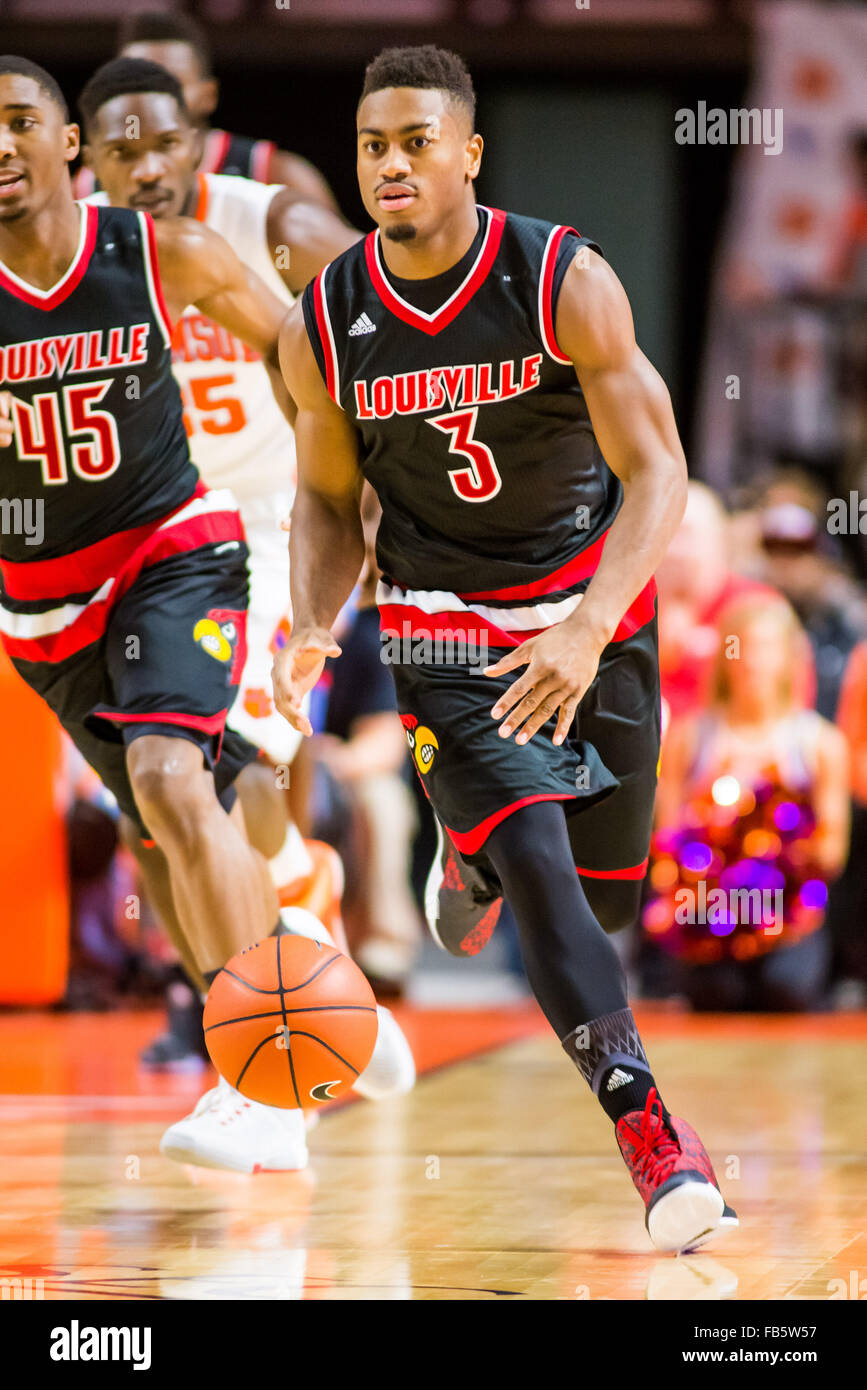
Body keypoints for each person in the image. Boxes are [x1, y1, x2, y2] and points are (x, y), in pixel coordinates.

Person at [273, 44, 738, 1254]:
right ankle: (652, 1134)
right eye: (374, 143)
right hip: (440, 626)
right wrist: (314, 620)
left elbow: (661, 470)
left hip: (590, 612)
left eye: (417, 141)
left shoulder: (561, 277)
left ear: (468, 153)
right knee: (536, 859)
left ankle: (467, 860)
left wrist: (590, 624)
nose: (391, 164)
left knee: (608, 894)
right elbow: (327, 501)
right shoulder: (326, 317)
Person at [0, 55, 389, 1177]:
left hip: (178, 554)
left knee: (179, 778)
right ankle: (275, 1001)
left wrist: (355, 488)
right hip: (45, 607)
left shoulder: (161, 251)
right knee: (150, 836)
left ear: (68, 145)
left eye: (21, 120)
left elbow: (303, 355)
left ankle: (263, 1082)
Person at [649, 596, 850, 1010]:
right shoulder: (690, 737)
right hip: (707, 918)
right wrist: (713, 851)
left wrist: (768, 851)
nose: (752, 661)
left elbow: (832, 853)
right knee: (715, 994)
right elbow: (666, 840)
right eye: (740, 646)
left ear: (789, 657)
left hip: (788, 921)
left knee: (785, 990)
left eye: (766, 647)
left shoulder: (819, 743)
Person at [73, 9, 338, 211]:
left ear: (208, 96)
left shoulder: (276, 174)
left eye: (170, 85)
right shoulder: (86, 187)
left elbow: (347, 275)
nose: (149, 98)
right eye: (135, 82)